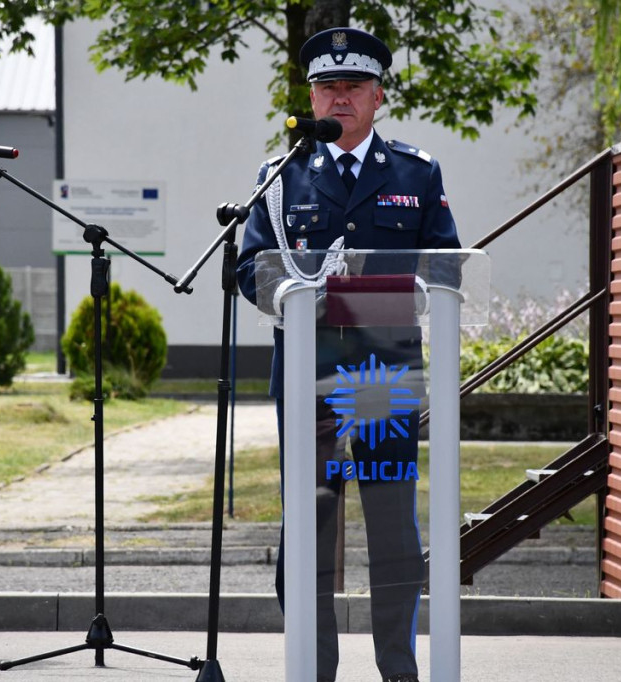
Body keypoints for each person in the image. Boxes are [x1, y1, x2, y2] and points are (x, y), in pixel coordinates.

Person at [236, 27, 461, 682]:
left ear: (377, 97)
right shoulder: (278, 179)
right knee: (309, 523)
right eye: (328, 87)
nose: (339, 99)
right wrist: (293, 298)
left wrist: (400, 295)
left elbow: (445, 268)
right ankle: (314, 669)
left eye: (353, 87)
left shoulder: (416, 173)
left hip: (382, 374)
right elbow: (251, 266)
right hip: (308, 371)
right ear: (311, 96)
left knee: (391, 526)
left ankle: (398, 669)